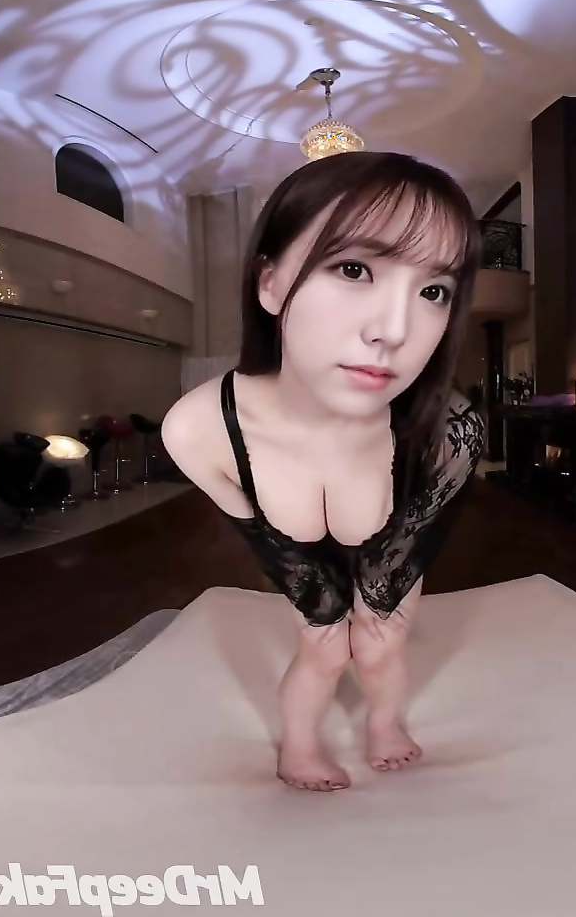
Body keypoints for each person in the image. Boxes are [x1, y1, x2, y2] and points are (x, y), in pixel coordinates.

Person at [161, 152, 487, 791]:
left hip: (394, 523)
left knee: (380, 643)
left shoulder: (451, 431)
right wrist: (328, 615)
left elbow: (414, 538)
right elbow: (273, 547)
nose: (394, 331)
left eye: (433, 291)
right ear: (271, 284)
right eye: (354, 268)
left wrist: (375, 609)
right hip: (293, 540)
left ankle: (385, 723)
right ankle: (299, 746)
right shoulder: (200, 433)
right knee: (324, 647)